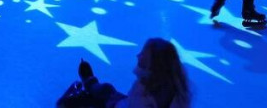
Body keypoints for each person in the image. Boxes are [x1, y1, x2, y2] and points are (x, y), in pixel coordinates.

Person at [61, 38, 191, 108]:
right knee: (107, 90)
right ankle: (90, 85)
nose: (138, 55)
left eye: (143, 56)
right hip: (125, 102)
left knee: (103, 95)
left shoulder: (146, 94)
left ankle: (86, 87)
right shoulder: (173, 88)